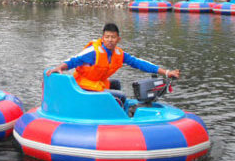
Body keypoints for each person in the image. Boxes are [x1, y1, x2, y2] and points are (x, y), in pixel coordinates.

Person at [47, 23, 179, 104]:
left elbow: (140, 63)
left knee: (116, 84)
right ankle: (116, 116)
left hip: (97, 83)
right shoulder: (93, 51)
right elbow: (73, 60)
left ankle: (111, 109)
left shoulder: (119, 54)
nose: (110, 40)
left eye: (113, 37)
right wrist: (59, 67)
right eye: (107, 37)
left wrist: (166, 72)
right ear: (103, 38)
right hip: (83, 84)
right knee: (120, 96)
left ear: (118, 39)